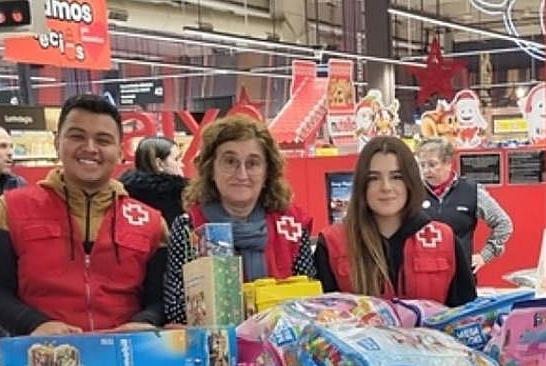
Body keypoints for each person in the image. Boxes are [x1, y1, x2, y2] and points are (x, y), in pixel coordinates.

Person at [0, 94, 169, 335]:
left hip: (127, 359)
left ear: (120, 151)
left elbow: (162, 296)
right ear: (57, 142)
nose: (90, 148)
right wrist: (35, 324)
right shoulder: (11, 209)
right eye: (77, 136)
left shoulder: (151, 222)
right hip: (39, 358)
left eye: (103, 140)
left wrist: (147, 320)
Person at [163, 115, 314, 324]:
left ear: (267, 173)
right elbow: (176, 309)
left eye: (252, 163)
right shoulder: (189, 228)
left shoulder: (293, 226)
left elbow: (310, 304)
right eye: (230, 161)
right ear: (211, 169)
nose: (241, 174)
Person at [315, 136, 476, 306]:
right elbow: (320, 319)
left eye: (397, 177)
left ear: (410, 181)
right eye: (374, 178)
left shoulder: (444, 239)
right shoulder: (333, 243)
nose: (386, 187)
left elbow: (465, 318)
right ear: (362, 184)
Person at [414, 137, 513, 274]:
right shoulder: (413, 193)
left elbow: (503, 223)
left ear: (448, 163)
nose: (426, 171)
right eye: (422, 165)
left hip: (460, 275)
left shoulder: (471, 191)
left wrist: (485, 255)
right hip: (421, 273)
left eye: (432, 164)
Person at [120, 136, 187, 230]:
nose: (181, 164)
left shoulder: (124, 192)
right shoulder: (174, 195)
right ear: (159, 164)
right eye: (176, 159)